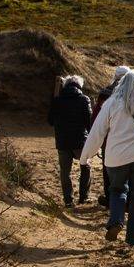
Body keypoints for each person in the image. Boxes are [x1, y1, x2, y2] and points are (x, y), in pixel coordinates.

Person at [79, 68, 134, 246]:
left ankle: (116, 221)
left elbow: (97, 132)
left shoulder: (111, 104)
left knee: (118, 190)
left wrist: (86, 156)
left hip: (115, 157)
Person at [86, 65, 131, 204]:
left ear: (115, 76)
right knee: (128, 170)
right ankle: (126, 199)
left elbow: (95, 118)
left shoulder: (105, 93)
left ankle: (110, 198)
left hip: (108, 140)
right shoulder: (133, 92)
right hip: (129, 138)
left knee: (108, 170)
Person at [46, 75, 93, 209]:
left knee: (65, 171)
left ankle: (68, 200)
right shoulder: (84, 99)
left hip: (63, 141)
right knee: (86, 167)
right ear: (79, 86)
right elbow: (89, 122)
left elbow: (50, 121)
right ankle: (84, 196)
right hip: (80, 141)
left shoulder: (57, 100)